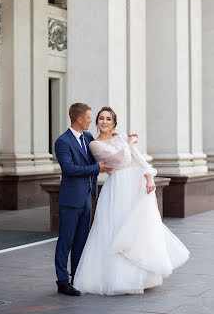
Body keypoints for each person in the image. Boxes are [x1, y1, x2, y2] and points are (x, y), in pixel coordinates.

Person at [74, 107, 190, 295]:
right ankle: (116, 279)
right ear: (97, 122)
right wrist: (129, 142)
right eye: (101, 118)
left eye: (108, 119)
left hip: (134, 185)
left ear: (114, 122)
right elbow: (119, 160)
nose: (104, 122)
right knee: (116, 228)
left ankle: (140, 278)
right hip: (117, 187)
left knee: (137, 228)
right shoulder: (95, 145)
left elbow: (137, 158)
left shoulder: (121, 138)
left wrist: (149, 176)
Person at [54, 103, 113, 296]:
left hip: (87, 197)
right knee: (66, 240)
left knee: (81, 240)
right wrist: (98, 169)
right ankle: (62, 281)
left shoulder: (88, 137)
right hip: (70, 200)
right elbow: (69, 169)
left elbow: (102, 153)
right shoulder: (62, 142)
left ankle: (76, 277)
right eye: (89, 117)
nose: (91, 120)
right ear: (79, 119)